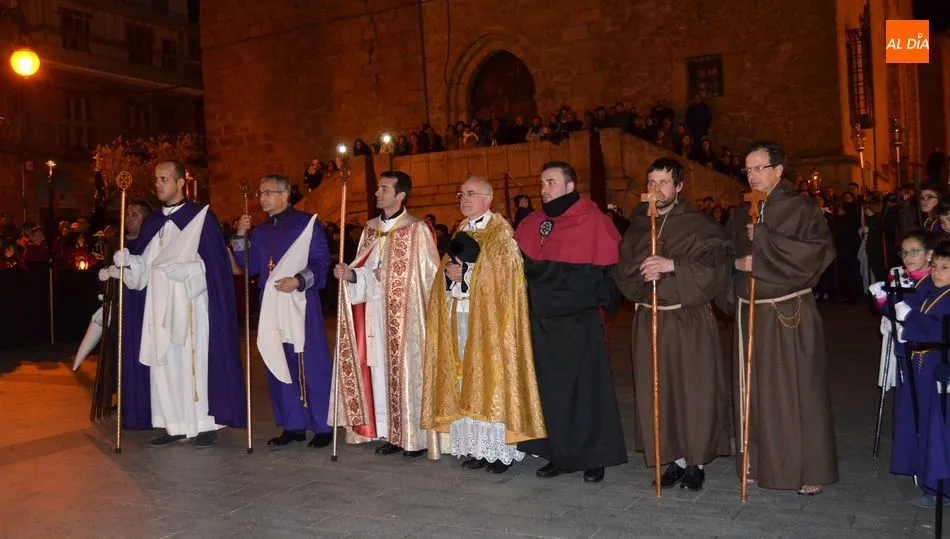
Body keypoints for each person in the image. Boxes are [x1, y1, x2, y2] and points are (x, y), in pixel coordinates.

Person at [718, 141, 838, 495]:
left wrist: (765, 244)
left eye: (759, 168)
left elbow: (819, 253)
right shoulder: (741, 213)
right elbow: (727, 252)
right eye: (748, 169)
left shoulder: (801, 208)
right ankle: (759, 462)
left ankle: (805, 468)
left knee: (794, 391)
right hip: (749, 312)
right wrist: (734, 264)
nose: (752, 175)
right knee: (755, 393)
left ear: (778, 170)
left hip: (788, 313)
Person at [613, 158, 733, 491]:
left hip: (687, 319)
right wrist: (642, 272)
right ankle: (675, 460)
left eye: (664, 182)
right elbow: (620, 271)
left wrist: (673, 265)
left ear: (679, 187)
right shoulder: (638, 225)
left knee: (692, 390)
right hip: (648, 319)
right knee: (659, 391)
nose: (656, 189)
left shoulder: (699, 224)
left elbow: (717, 268)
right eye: (651, 182)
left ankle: (695, 462)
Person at [113, 161, 246, 447]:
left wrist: (187, 272)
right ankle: (172, 424)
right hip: (158, 306)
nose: (158, 184)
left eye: (163, 179)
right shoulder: (153, 222)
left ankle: (202, 424)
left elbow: (216, 268)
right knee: (163, 363)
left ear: (180, 182)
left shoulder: (201, 217)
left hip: (191, 305)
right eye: (156, 179)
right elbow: (145, 270)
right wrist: (130, 264)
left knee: (191, 362)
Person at [421, 176, 546, 474]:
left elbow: (505, 281)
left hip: (490, 324)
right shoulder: (461, 231)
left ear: (488, 199)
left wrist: (465, 275)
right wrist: (451, 278)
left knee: (491, 382)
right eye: (461, 193)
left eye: (471, 193)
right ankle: (476, 447)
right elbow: (445, 278)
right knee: (466, 380)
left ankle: (500, 451)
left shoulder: (501, 233)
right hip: (461, 318)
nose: (464, 198)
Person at [514, 161, 627, 483]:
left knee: (587, 391)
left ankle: (594, 457)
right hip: (543, 321)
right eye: (541, 183)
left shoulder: (593, 221)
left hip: (579, 323)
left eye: (551, 182)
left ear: (570, 186)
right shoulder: (533, 222)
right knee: (552, 391)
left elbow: (607, 277)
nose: (544, 189)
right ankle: (558, 453)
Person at [330, 171, 440, 458]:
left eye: (384, 189)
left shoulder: (417, 229)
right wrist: (350, 275)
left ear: (401, 195)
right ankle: (386, 430)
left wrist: (388, 276)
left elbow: (429, 277)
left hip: (407, 317)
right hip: (373, 313)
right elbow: (365, 270)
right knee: (377, 371)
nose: (378, 193)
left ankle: (412, 436)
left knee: (405, 372)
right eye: (378, 188)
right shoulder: (370, 230)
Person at [232, 174, 333, 448]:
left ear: (285, 195)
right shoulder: (261, 231)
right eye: (260, 193)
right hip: (271, 303)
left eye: (268, 192)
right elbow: (250, 268)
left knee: (311, 363)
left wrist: (299, 280)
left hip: (301, 301)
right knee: (279, 361)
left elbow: (321, 262)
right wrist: (240, 236)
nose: (262, 198)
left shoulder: (307, 223)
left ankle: (323, 426)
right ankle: (293, 424)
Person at [868, 230, 936, 506]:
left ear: (929, 254)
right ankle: (913, 465)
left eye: (914, 251)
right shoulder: (900, 276)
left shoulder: (935, 279)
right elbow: (894, 311)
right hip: (906, 352)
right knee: (909, 410)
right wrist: (884, 300)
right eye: (904, 252)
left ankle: (930, 476)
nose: (908, 257)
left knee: (928, 414)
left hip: (928, 355)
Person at [891, 239, 950, 508]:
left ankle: (938, 487)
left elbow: (938, 330)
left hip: (937, 368)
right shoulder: (930, 290)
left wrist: (910, 320)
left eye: (945, 268)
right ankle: (927, 478)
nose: (937, 273)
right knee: (924, 422)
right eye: (935, 267)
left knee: (938, 427)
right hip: (922, 366)